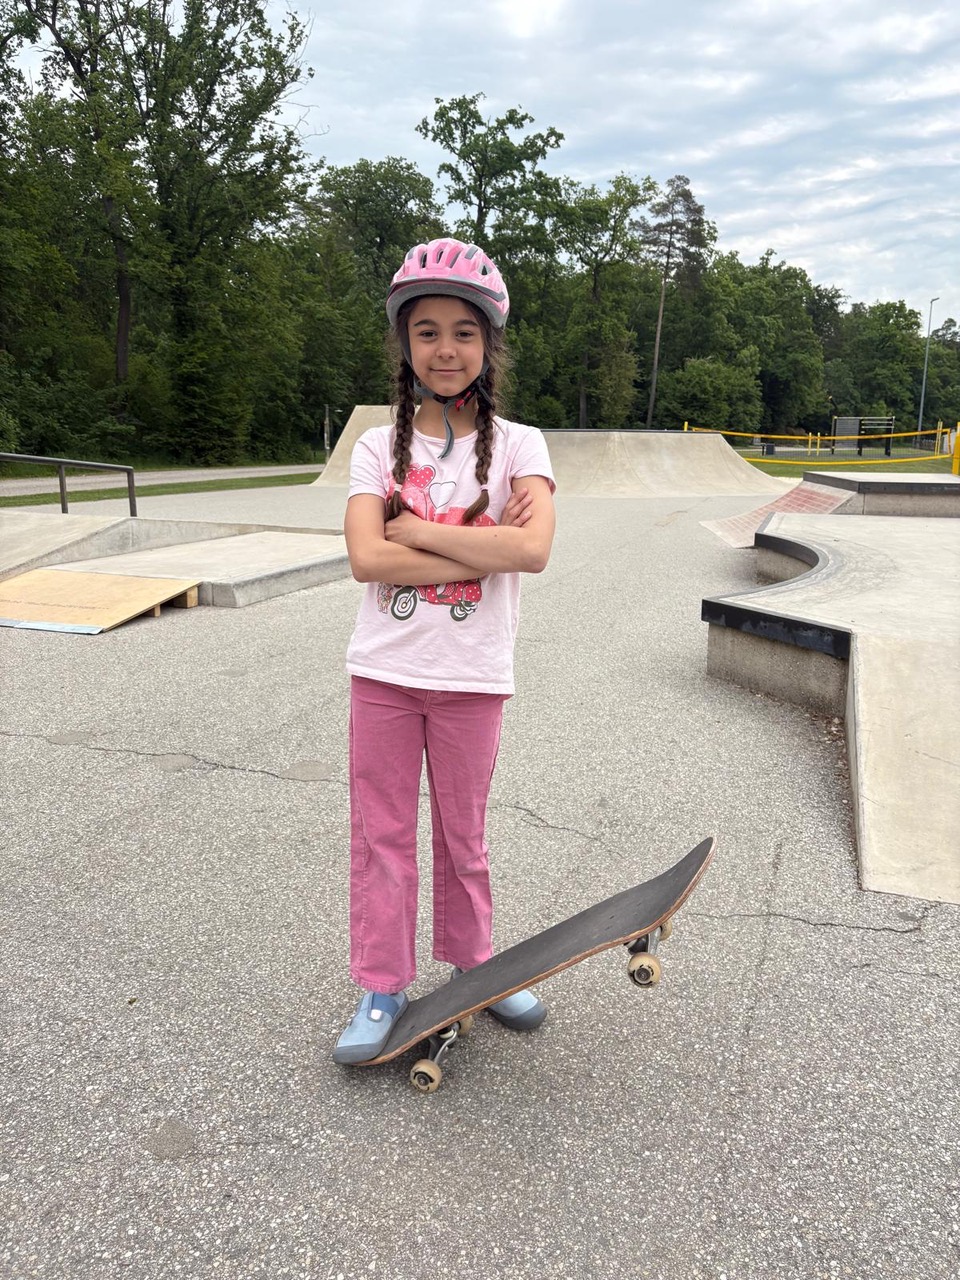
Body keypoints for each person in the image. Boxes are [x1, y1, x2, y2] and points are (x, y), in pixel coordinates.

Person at [333, 237, 557, 1064]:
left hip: (472, 676)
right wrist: (478, 546)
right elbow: (368, 559)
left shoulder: (522, 444)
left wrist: (418, 532)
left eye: (464, 332)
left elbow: (531, 550)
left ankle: (476, 966)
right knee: (382, 836)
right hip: (385, 674)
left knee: (465, 836)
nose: (446, 349)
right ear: (405, 343)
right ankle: (382, 984)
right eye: (426, 331)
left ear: (489, 342)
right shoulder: (375, 447)